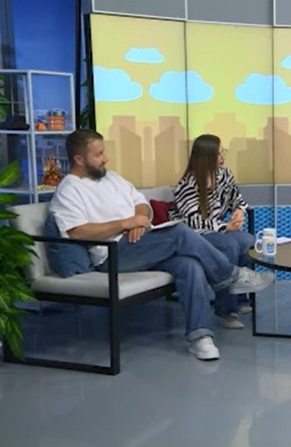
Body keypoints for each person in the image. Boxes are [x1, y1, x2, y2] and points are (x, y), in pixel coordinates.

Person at [49, 129, 275, 361]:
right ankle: (231, 276)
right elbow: (77, 232)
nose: (105, 158)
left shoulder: (112, 178)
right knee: (179, 233)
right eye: (98, 154)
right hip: (112, 254)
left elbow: (141, 204)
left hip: (141, 243)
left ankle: (200, 338)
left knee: (189, 265)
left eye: (103, 152)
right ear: (79, 159)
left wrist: (139, 220)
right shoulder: (69, 190)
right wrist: (125, 224)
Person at [172, 134, 255, 329]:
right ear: (206, 157)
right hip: (194, 234)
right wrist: (225, 227)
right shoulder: (187, 184)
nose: (223, 156)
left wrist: (239, 211)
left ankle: (240, 298)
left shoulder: (224, 175)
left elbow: (238, 199)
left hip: (216, 230)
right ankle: (227, 311)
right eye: (219, 154)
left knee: (247, 240)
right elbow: (193, 221)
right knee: (229, 244)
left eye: (223, 152)